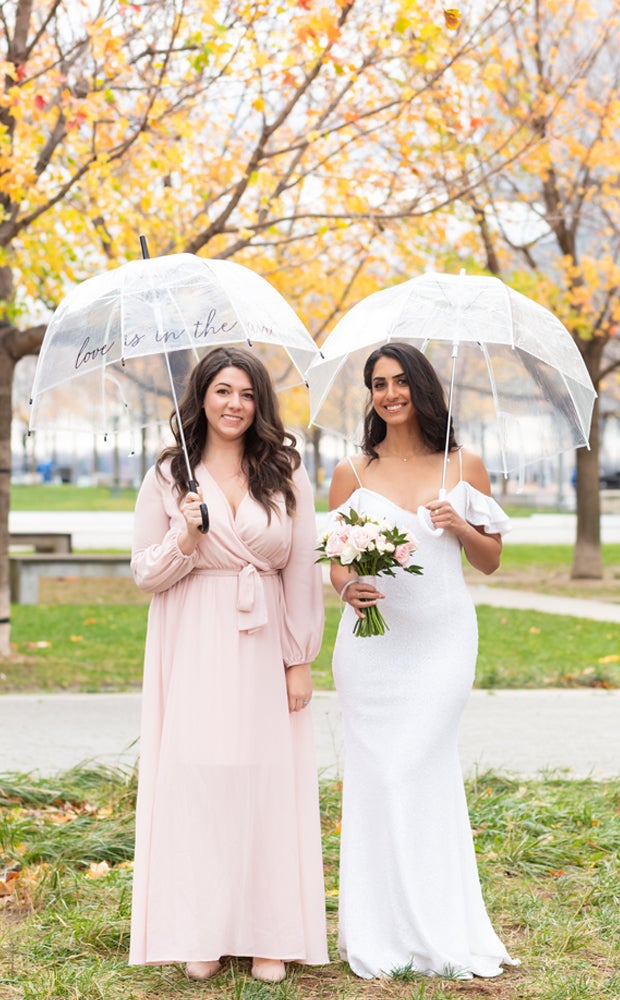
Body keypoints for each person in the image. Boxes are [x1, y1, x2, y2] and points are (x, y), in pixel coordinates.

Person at [129, 346, 328, 983]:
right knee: (201, 774)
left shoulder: (284, 469)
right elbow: (144, 574)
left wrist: (298, 658)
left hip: (266, 636)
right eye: (221, 392)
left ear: (259, 401)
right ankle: (204, 927)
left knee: (266, 776)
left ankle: (270, 932)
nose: (234, 404)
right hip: (193, 634)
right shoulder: (169, 474)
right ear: (202, 398)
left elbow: (299, 567)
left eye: (245, 393)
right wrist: (184, 538)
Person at [328, 342, 518, 980]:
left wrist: (460, 525)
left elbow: (490, 560)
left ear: (423, 388)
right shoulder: (352, 471)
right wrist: (347, 588)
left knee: (416, 769)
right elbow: (338, 559)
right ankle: (381, 930)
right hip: (370, 648)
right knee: (380, 777)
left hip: (441, 644)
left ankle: (437, 925)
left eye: (401, 381)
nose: (389, 393)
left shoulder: (464, 465)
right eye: (378, 383)